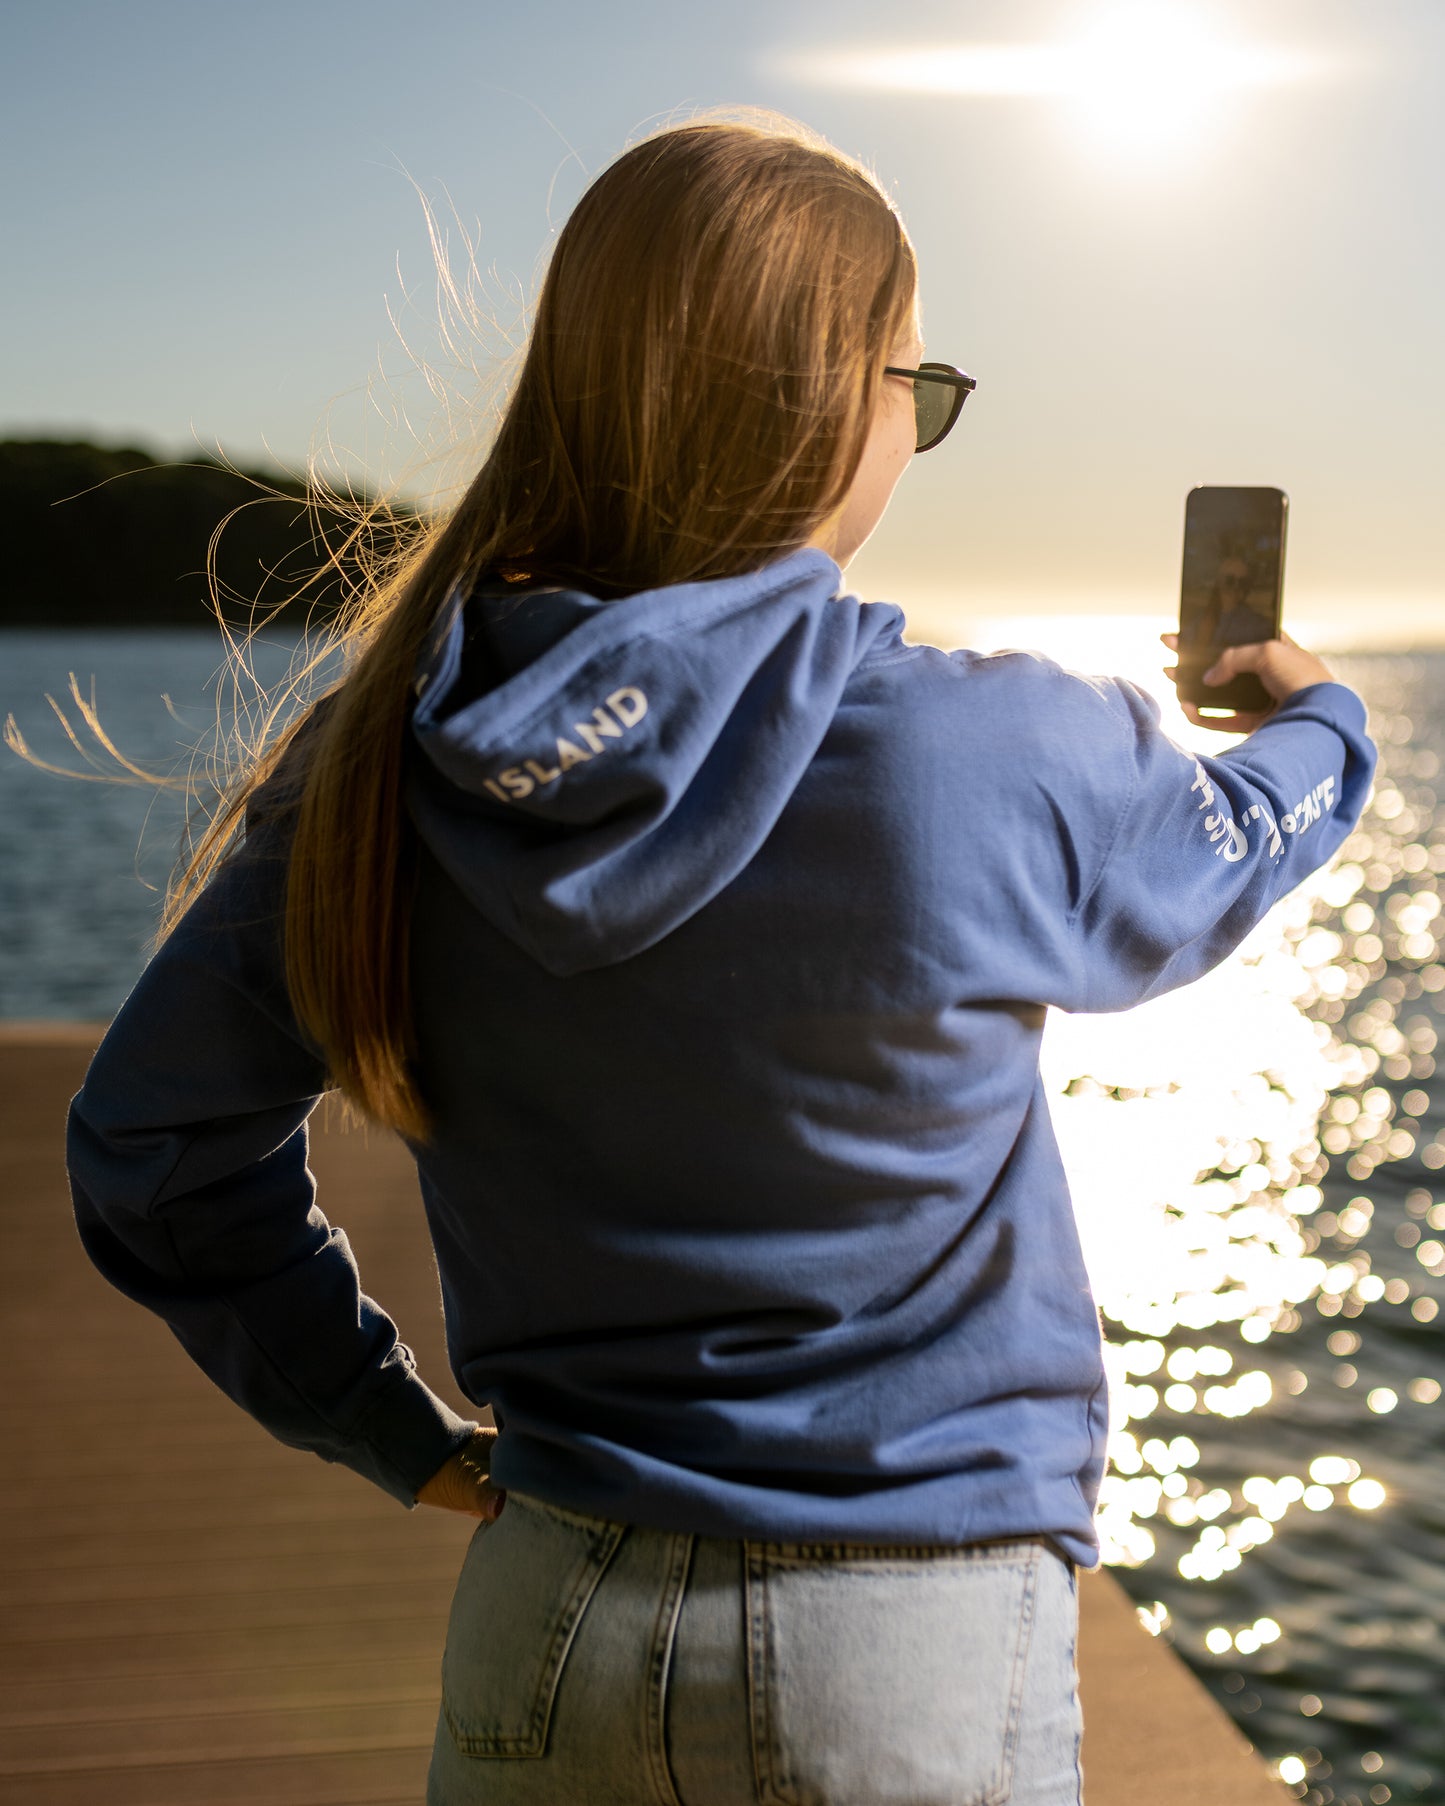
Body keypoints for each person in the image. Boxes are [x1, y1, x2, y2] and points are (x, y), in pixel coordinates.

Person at [66, 117, 1375, 1805]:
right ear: (835, 397)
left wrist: (378, 1419)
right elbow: (1238, 837)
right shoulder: (987, 750)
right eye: (923, 386)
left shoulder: (385, 759)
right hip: (903, 1655)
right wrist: (1324, 721)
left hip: (550, 1624)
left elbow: (152, 1154)